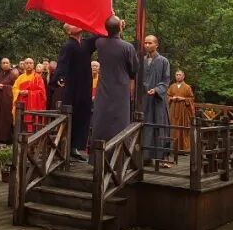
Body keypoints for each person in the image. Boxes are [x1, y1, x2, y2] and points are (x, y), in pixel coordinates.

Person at [89, 16, 137, 163]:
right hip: (121, 88)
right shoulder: (127, 47)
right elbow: (134, 69)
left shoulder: (100, 43)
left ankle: (97, 157)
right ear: (121, 28)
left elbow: (105, 35)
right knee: (120, 121)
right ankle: (119, 158)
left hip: (104, 87)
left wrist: (114, 26)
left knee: (101, 119)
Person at [54, 24, 96, 161]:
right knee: (72, 114)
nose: (77, 25)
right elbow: (62, 62)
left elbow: (100, 35)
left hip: (85, 85)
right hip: (72, 86)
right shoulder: (68, 45)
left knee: (83, 114)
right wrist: (60, 76)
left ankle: (76, 147)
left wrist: (112, 21)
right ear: (68, 31)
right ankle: (66, 146)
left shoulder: (86, 43)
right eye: (72, 24)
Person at [141, 35, 172, 164]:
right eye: (145, 43)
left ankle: (159, 157)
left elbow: (166, 80)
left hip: (158, 100)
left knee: (158, 125)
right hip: (144, 100)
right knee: (145, 126)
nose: (147, 45)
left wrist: (157, 90)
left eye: (150, 43)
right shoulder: (141, 60)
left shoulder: (163, 61)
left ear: (156, 45)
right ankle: (144, 157)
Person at [12, 58, 47, 133]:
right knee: (21, 124)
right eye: (27, 63)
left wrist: (29, 92)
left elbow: (42, 93)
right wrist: (19, 92)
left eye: (30, 63)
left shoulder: (38, 78)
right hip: (22, 105)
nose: (29, 65)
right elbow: (14, 89)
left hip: (33, 106)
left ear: (33, 65)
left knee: (33, 124)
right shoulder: (20, 78)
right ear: (24, 65)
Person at [167, 70, 196, 154]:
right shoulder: (172, 86)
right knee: (173, 127)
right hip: (173, 109)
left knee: (182, 128)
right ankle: (172, 148)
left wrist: (183, 99)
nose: (178, 76)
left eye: (179, 75)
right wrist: (172, 98)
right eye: (176, 75)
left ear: (183, 76)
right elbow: (167, 95)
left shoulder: (187, 87)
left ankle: (183, 149)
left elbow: (191, 99)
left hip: (183, 110)